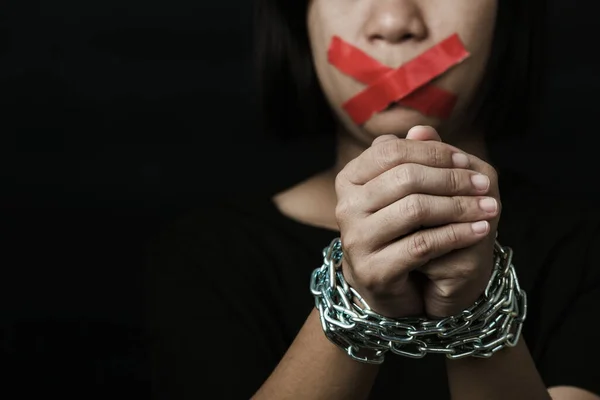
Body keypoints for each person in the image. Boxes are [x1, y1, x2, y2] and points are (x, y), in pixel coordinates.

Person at [145, 0, 600, 399]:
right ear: (298, 15)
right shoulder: (209, 256)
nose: (393, 21)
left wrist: (473, 305)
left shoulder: (582, 249)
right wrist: (358, 296)